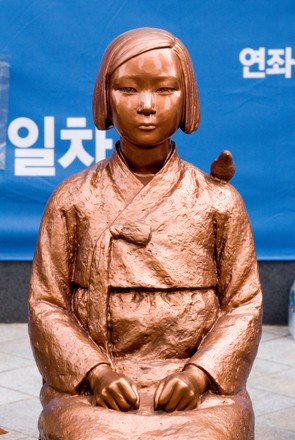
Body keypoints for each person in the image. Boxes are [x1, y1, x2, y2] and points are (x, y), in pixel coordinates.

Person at [28, 28, 262, 440]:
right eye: (128, 89)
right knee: (87, 432)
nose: (147, 106)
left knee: (212, 433)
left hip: (197, 388)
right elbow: (47, 302)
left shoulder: (219, 201)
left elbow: (243, 304)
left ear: (187, 98)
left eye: (165, 89)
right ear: (105, 98)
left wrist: (198, 375)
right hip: (98, 386)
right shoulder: (73, 199)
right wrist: (95, 372)